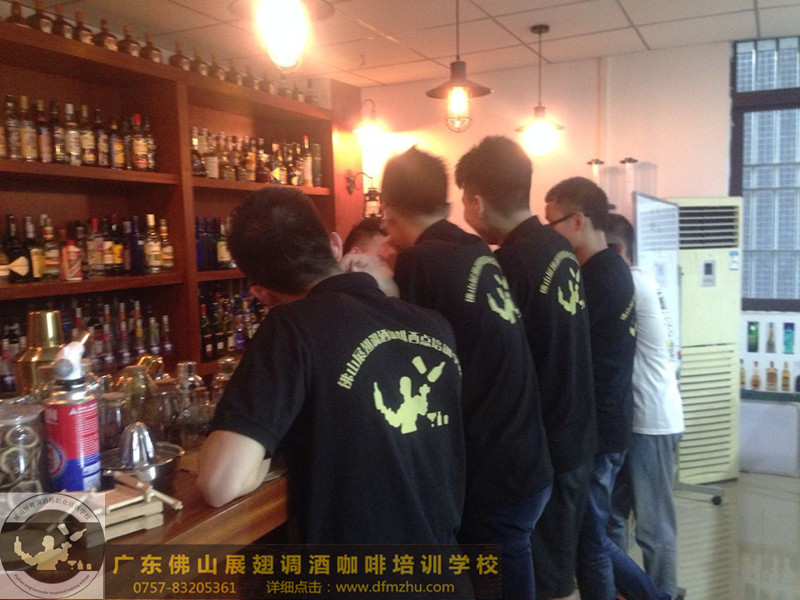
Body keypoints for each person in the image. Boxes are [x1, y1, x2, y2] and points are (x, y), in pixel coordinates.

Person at [197, 186, 466, 547]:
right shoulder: (435, 325)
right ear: (336, 245)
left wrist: (265, 455)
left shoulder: (290, 328)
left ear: (261, 294)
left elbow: (219, 483)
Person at [380, 146, 553, 600]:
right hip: (525, 450)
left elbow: (407, 360)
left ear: (387, 211)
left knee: (498, 576)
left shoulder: (420, 262)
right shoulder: (470, 246)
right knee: (511, 559)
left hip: (495, 466)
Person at [455, 136, 596, 600]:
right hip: (576, 424)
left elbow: (502, 362)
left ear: (476, 201)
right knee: (566, 560)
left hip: (546, 441)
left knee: (545, 576)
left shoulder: (507, 264)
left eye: (463, 201)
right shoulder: (557, 245)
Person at [545, 177, 667, 600]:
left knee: (591, 542)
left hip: (601, 428)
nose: (549, 234)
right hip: (609, 423)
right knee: (592, 536)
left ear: (578, 220)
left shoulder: (597, 277)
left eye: (552, 223)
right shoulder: (612, 269)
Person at [606, 213, 685, 600]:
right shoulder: (645, 281)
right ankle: (626, 590)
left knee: (654, 526)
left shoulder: (632, 283)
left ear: (617, 249)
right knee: (612, 518)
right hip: (637, 418)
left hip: (651, 421)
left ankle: (664, 592)